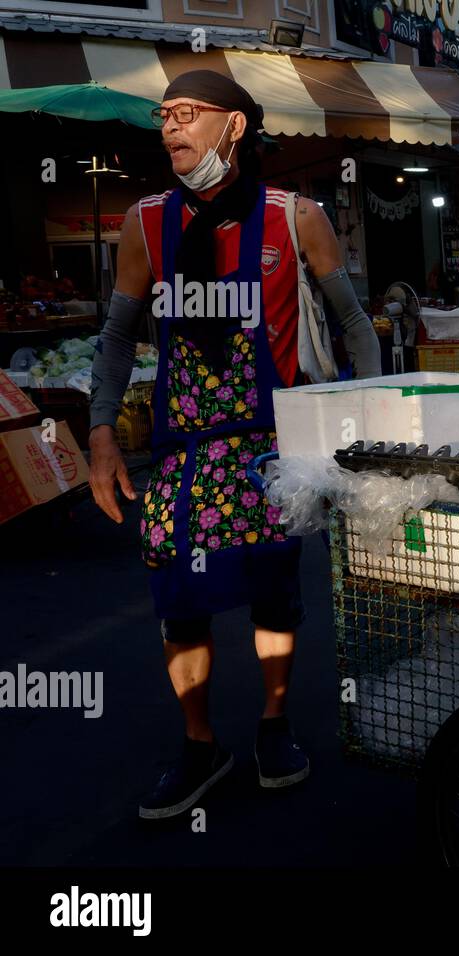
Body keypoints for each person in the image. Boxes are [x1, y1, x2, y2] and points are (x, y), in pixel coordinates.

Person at [86, 70, 381, 819]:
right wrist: (100, 435)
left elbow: (355, 327)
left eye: (187, 114)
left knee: (275, 598)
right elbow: (119, 336)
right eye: (163, 116)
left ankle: (274, 727)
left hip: (269, 454)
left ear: (235, 127)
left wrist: (364, 426)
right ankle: (198, 744)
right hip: (181, 455)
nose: (170, 128)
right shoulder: (144, 222)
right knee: (178, 605)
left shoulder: (295, 216)